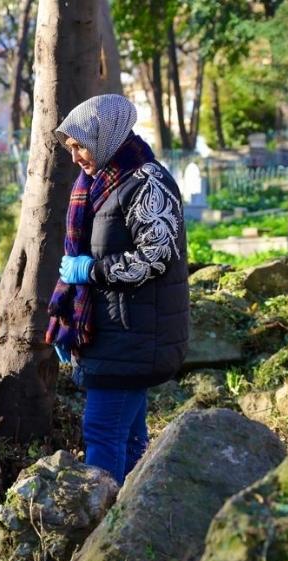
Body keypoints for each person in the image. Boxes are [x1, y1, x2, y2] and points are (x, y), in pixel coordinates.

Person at [46, 94, 190, 485]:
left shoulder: (146, 182)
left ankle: (105, 514)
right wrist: (68, 320)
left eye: (80, 145)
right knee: (126, 434)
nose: (74, 156)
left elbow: (156, 256)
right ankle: (133, 506)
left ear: (106, 135)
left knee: (103, 431)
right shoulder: (99, 182)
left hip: (134, 335)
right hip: (116, 334)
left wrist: (91, 270)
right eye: (70, 147)